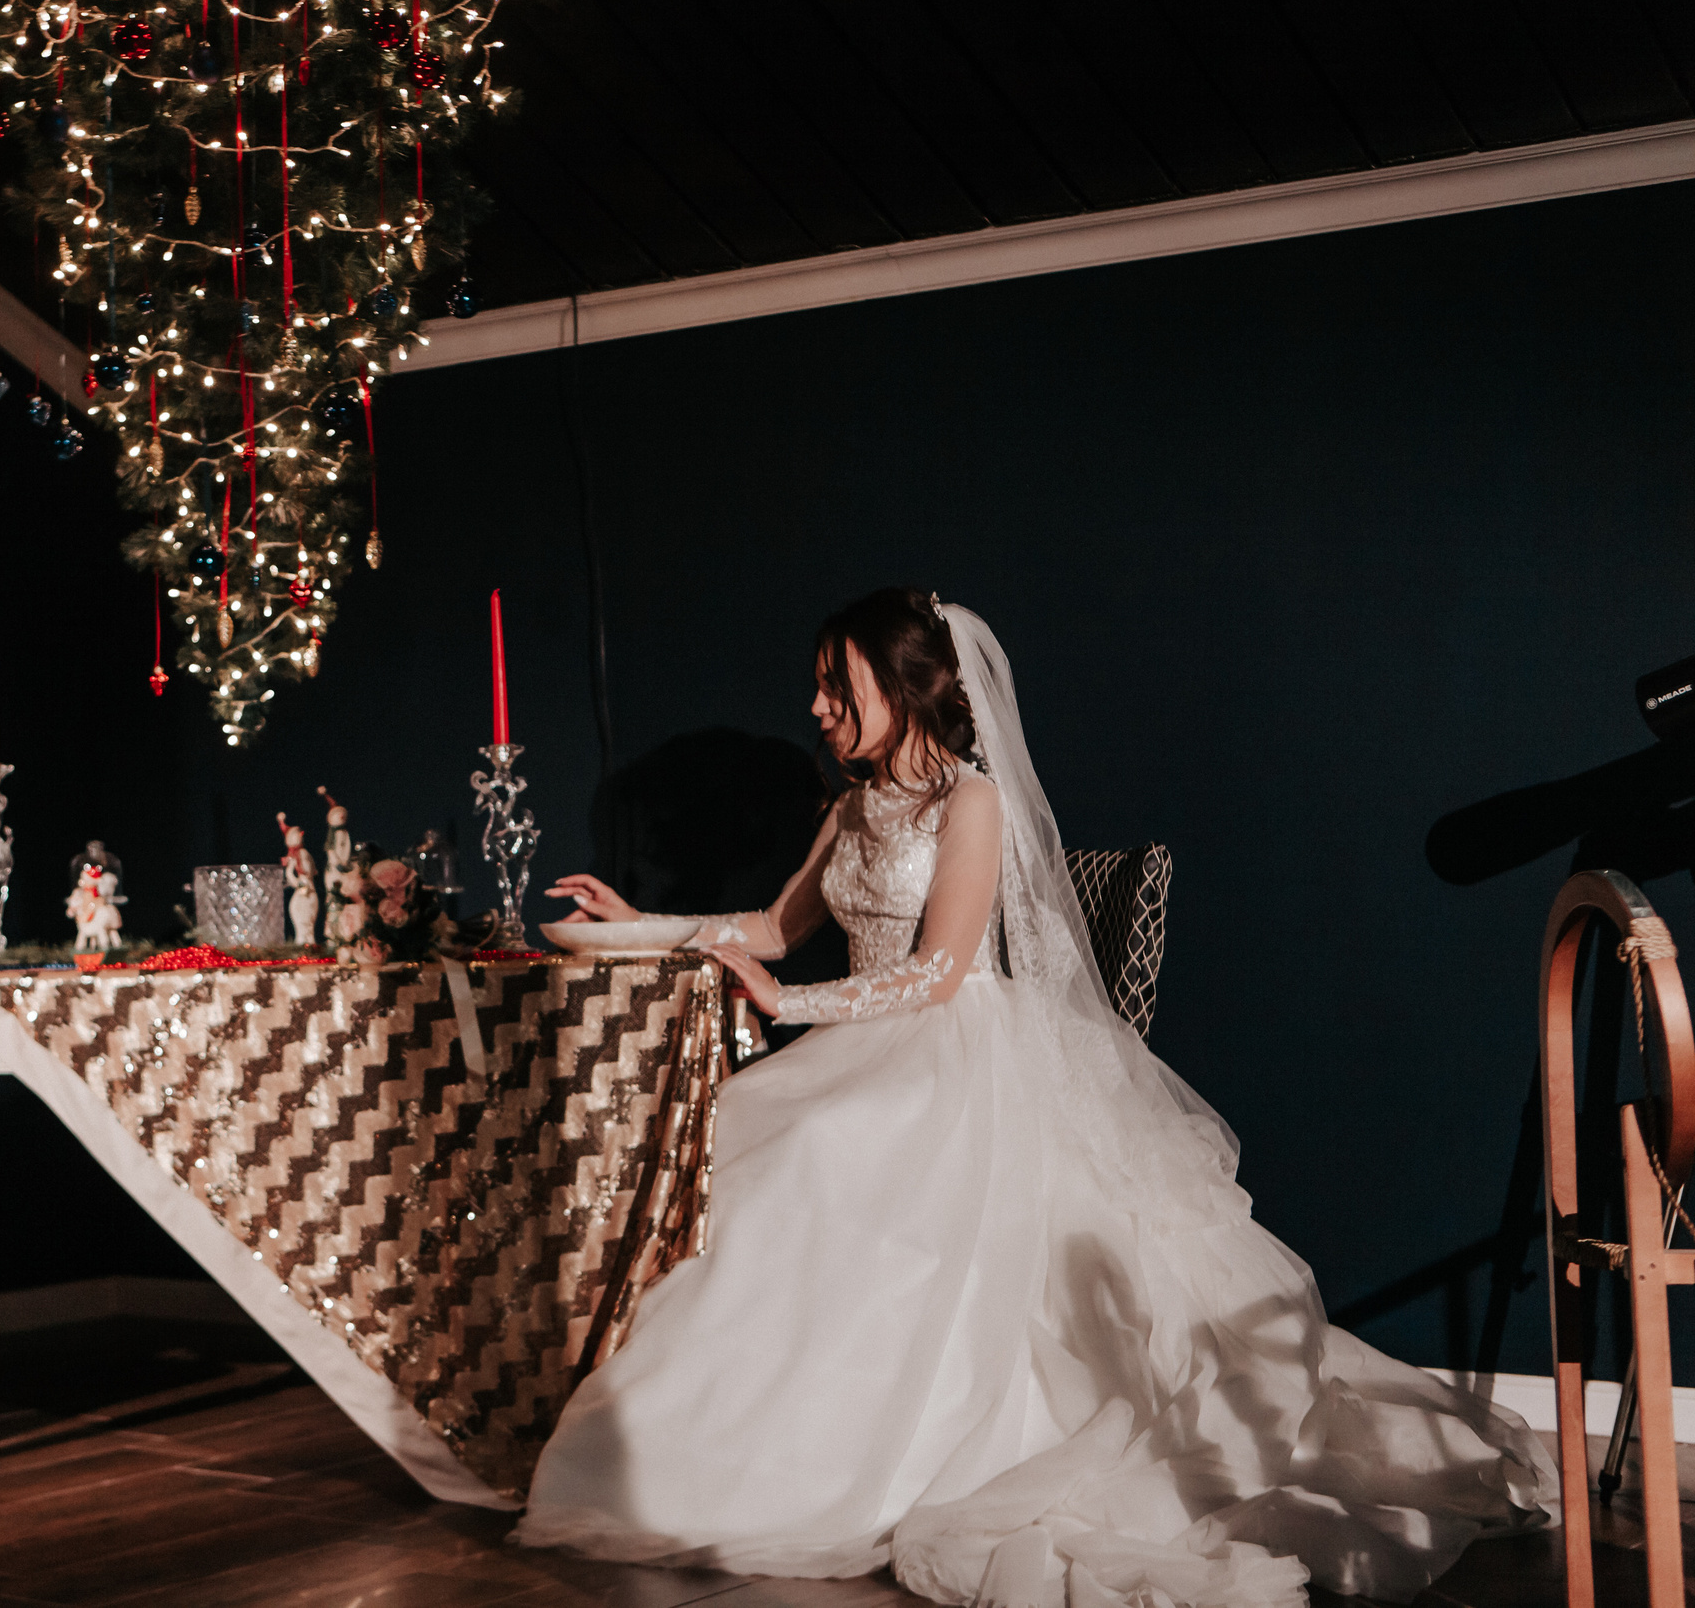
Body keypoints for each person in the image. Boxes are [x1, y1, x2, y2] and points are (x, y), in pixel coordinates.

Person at [515, 591, 1554, 1606]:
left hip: (949, 1043)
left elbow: (938, 971)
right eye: (818, 687)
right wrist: (637, 923)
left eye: (838, 684)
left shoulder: (970, 802)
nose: (818, 707)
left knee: (819, 1144)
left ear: (903, 687)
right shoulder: (849, 806)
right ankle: (728, 1449)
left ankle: (870, 1458)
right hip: (857, 1040)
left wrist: (788, 1005)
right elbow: (772, 927)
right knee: (760, 1140)